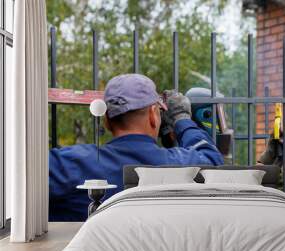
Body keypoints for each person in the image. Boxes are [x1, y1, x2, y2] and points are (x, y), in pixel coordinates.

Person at [49, 74, 224, 221]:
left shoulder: (67, 163)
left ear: (107, 121)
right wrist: (181, 119)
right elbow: (213, 160)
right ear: (153, 116)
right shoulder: (181, 164)